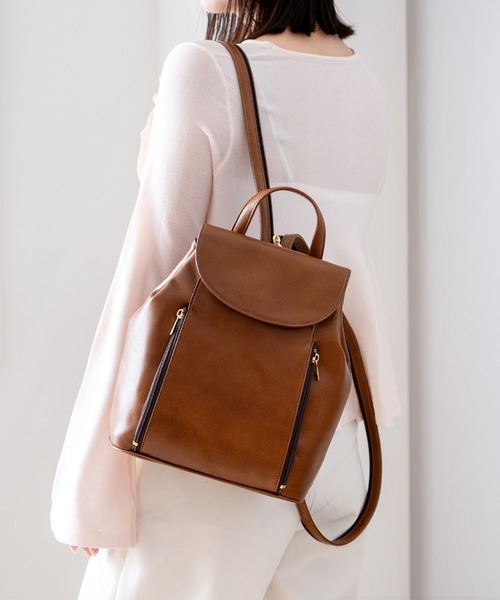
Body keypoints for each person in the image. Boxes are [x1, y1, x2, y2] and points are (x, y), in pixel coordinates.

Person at [50, 0, 401, 598]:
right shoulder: (365, 83)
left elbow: (152, 271)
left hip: (223, 441)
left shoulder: (206, 71)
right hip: (339, 437)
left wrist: (93, 479)